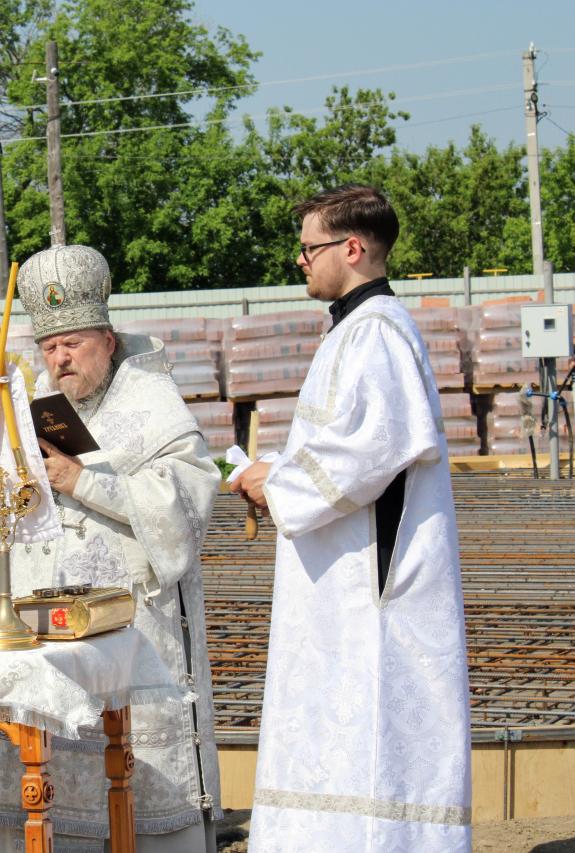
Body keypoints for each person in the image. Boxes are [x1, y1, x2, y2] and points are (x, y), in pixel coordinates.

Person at [0, 244, 224, 853]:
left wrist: (85, 482)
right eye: (50, 348)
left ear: (107, 337)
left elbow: (187, 501)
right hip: (45, 632)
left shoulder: (152, 403)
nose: (61, 358)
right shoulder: (29, 409)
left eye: (74, 343)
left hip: (131, 636)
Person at [233, 184, 471, 852]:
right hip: (336, 585)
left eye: (310, 248)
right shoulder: (353, 331)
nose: (300, 260)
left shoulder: (378, 333)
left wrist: (272, 482)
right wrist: (275, 471)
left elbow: (367, 452)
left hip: (372, 600)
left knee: (371, 746)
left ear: (354, 247)